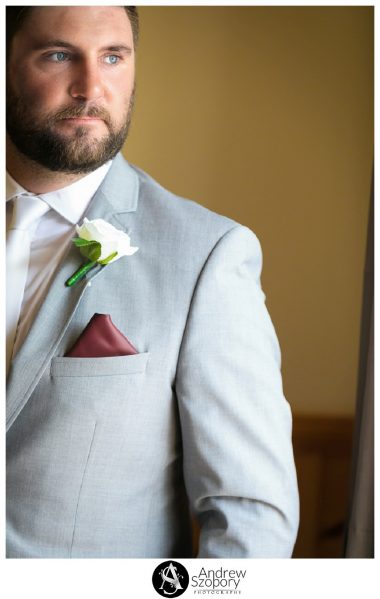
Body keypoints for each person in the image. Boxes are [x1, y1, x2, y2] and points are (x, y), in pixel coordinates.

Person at [6, 5, 299, 558]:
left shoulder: (207, 255)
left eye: (113, 57)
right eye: (59, 55)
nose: (90, 87)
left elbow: (251, 520)